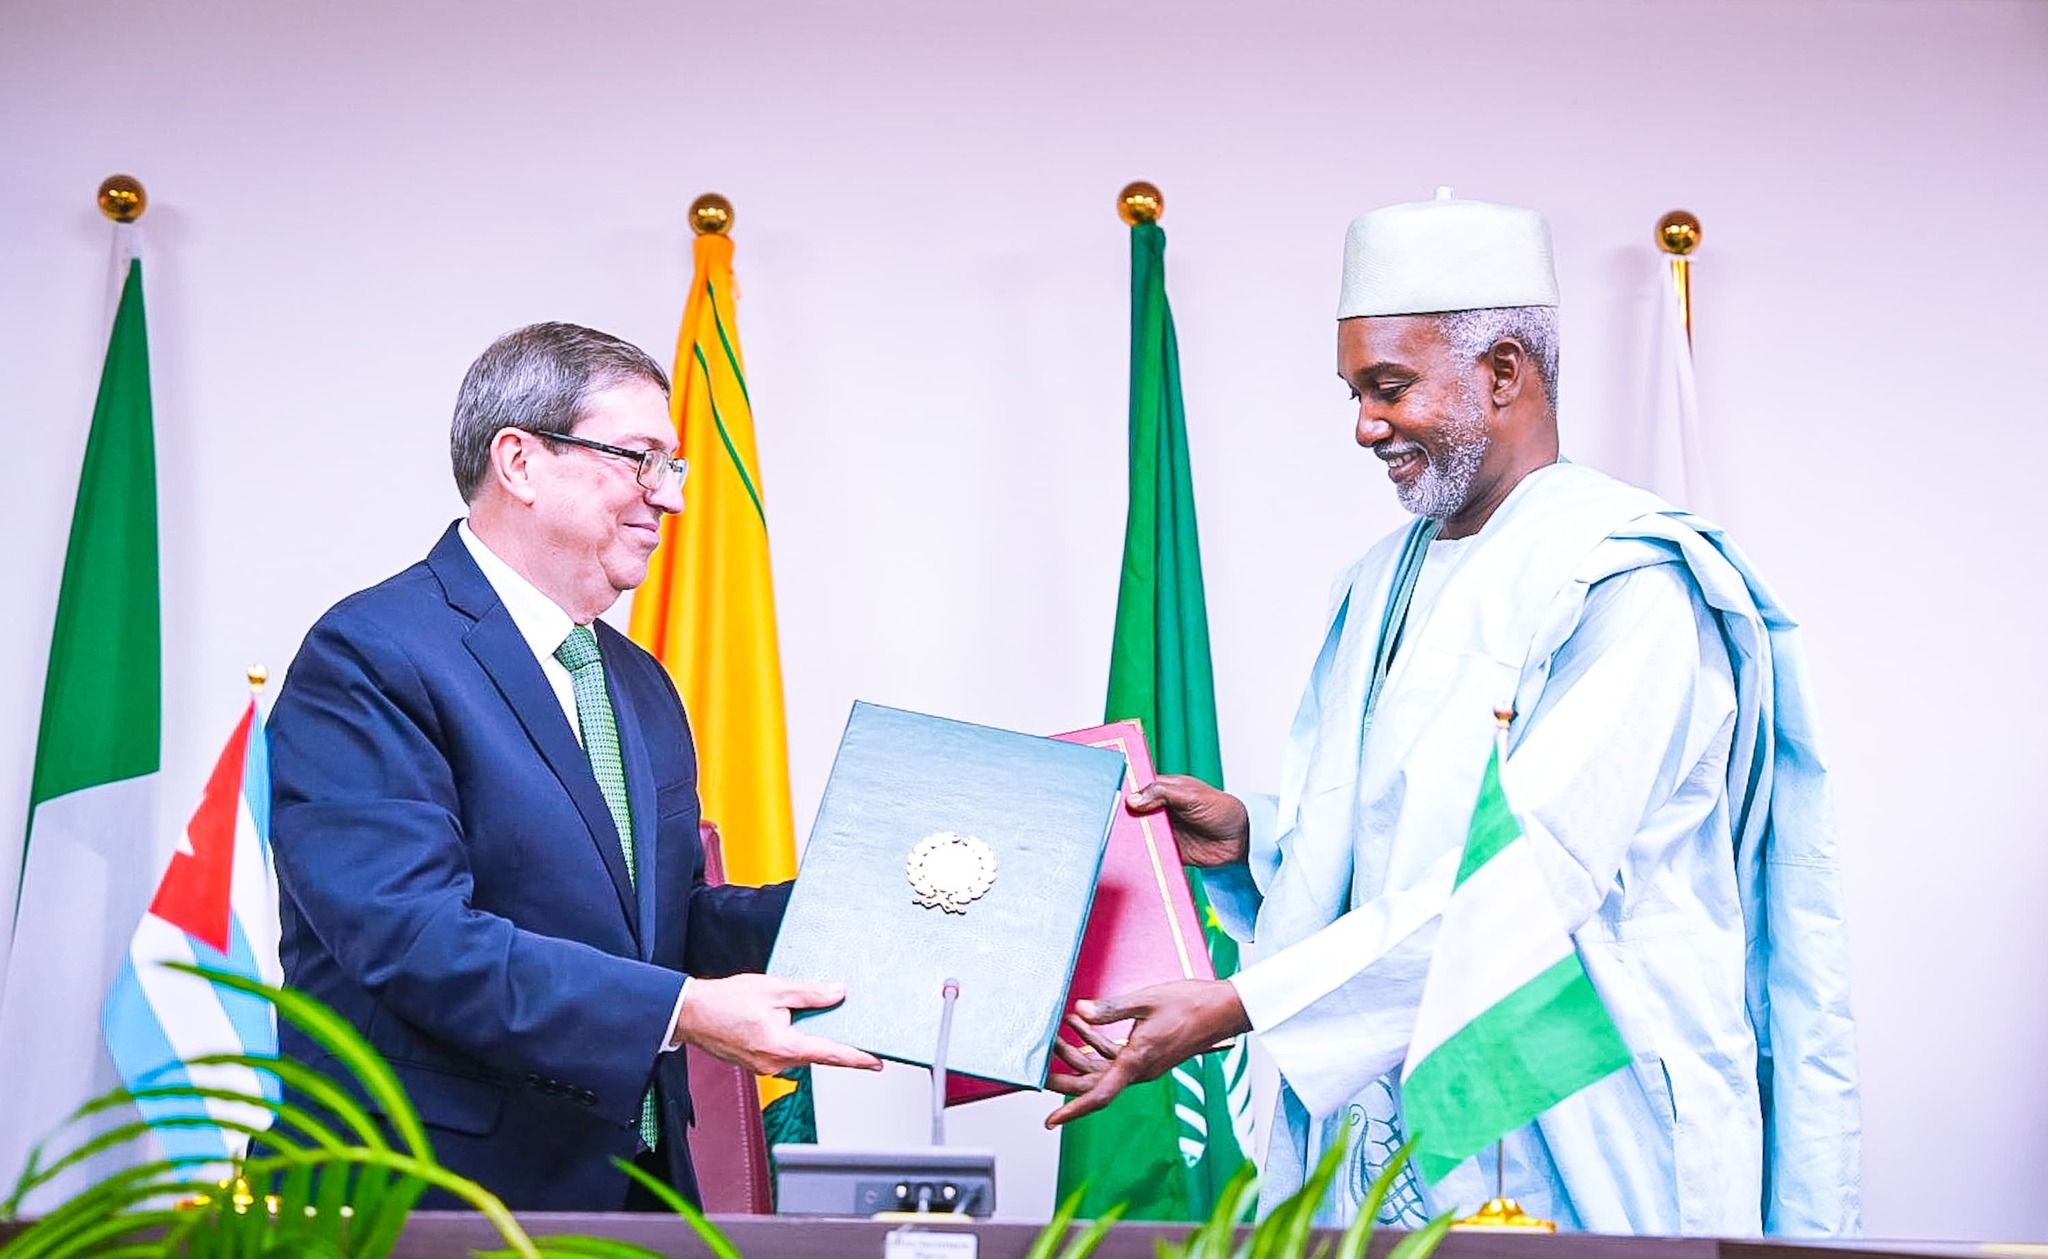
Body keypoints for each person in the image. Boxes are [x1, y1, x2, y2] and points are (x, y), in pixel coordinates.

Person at [1044, 191, 1861, 1236]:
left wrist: (1245, 1003)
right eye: (1352, 392)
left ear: (1503, 371)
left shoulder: (1627, 579)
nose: (1363, 425)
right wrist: (1255, 839)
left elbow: (1531, 871)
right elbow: (1394, 837)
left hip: (1575, 1111)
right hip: (1386, 1116)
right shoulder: (1380, 577)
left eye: (1388, 387)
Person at [267, 322, 880, 1212]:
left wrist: (866, 913)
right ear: (518, 461)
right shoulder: (370, 655)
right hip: (432, 1203)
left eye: (672, 468)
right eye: (638, 458)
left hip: (633, 1197)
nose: (666, 499)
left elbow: (665, 928)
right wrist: (684, 1011)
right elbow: (416, 939)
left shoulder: (639, 683)